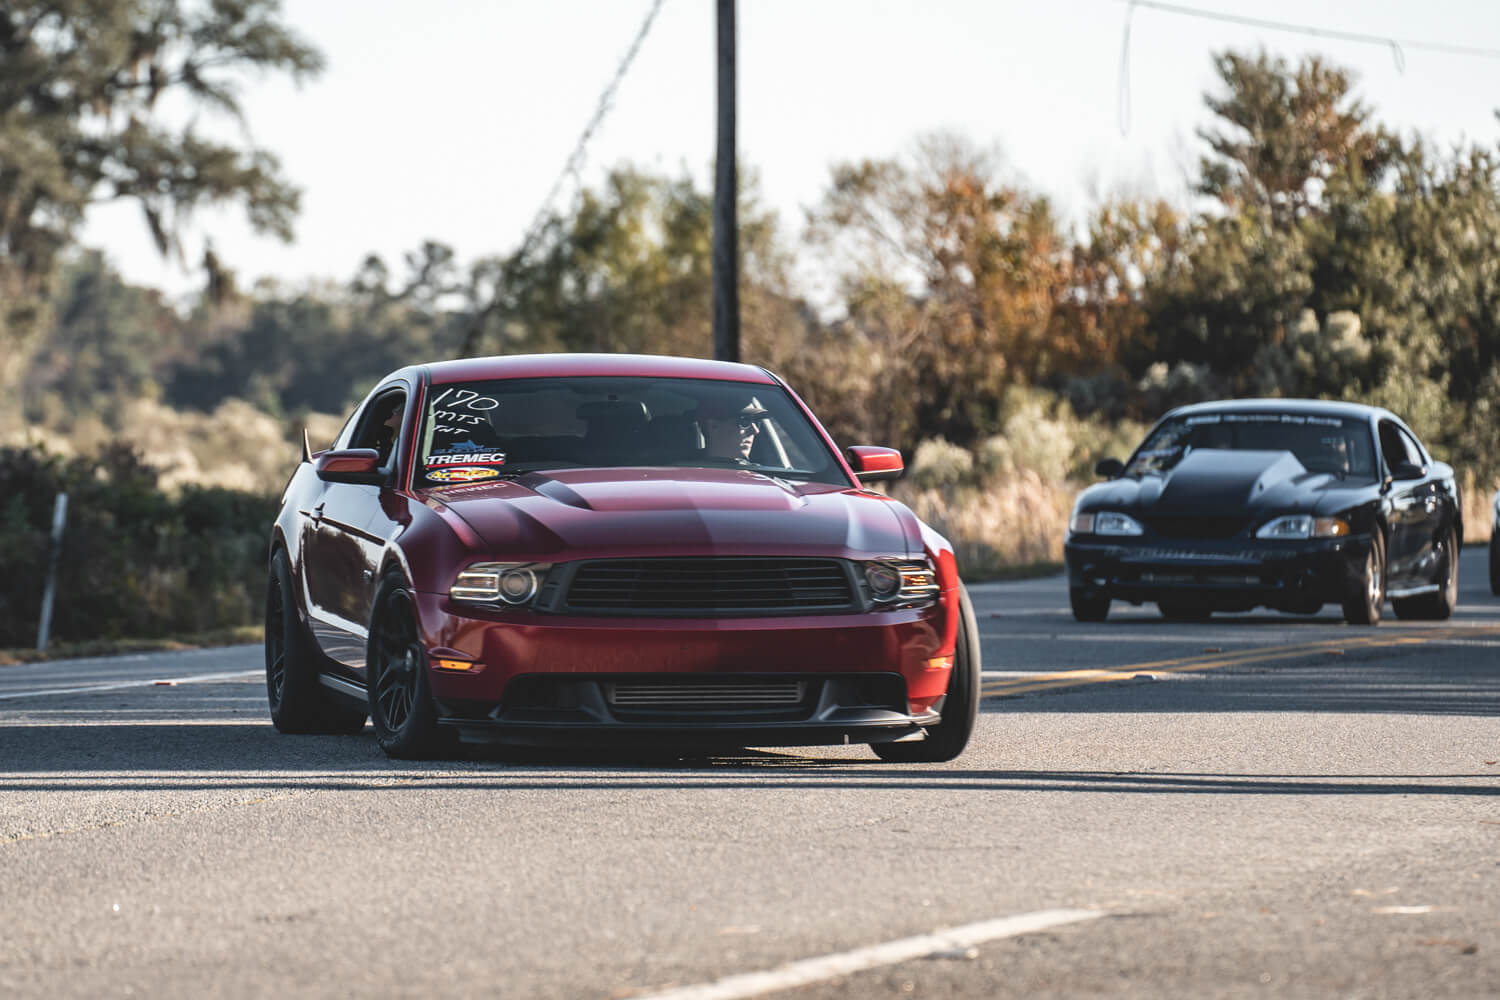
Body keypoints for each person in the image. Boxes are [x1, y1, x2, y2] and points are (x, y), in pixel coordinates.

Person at [698, 396, 767, 462]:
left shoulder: (761, 472)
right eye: (745, 422)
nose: (755, 431)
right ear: (713, 426)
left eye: (756, 422)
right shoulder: (692, 473)